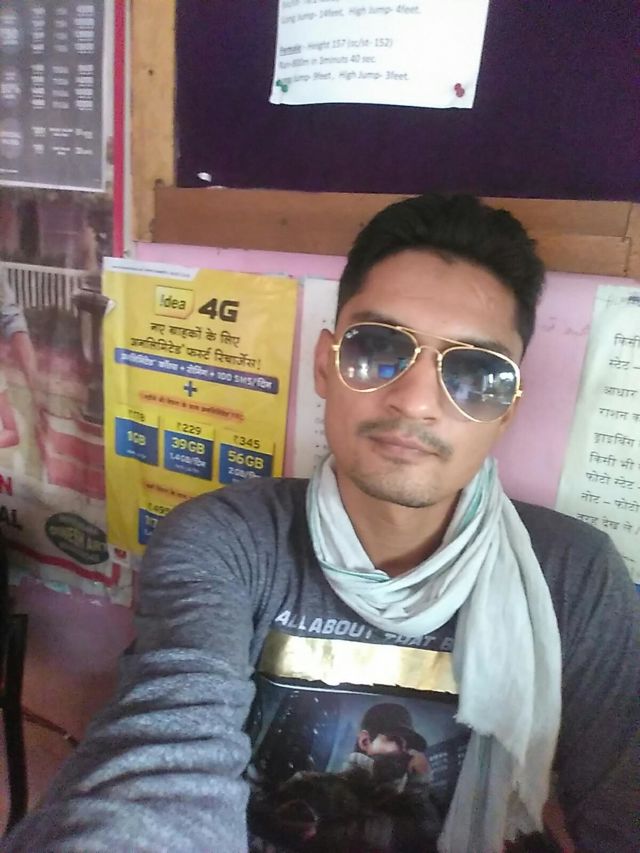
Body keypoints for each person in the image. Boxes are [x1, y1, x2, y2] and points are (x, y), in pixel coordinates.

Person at [4, 194, 638, 852]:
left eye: (476, 372)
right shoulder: (227, 541)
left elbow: (622, 806)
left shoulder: (573, 577)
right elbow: (164, 759)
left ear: (507, 410)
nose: (416, 400)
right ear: (324, 364)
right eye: (378, 347)